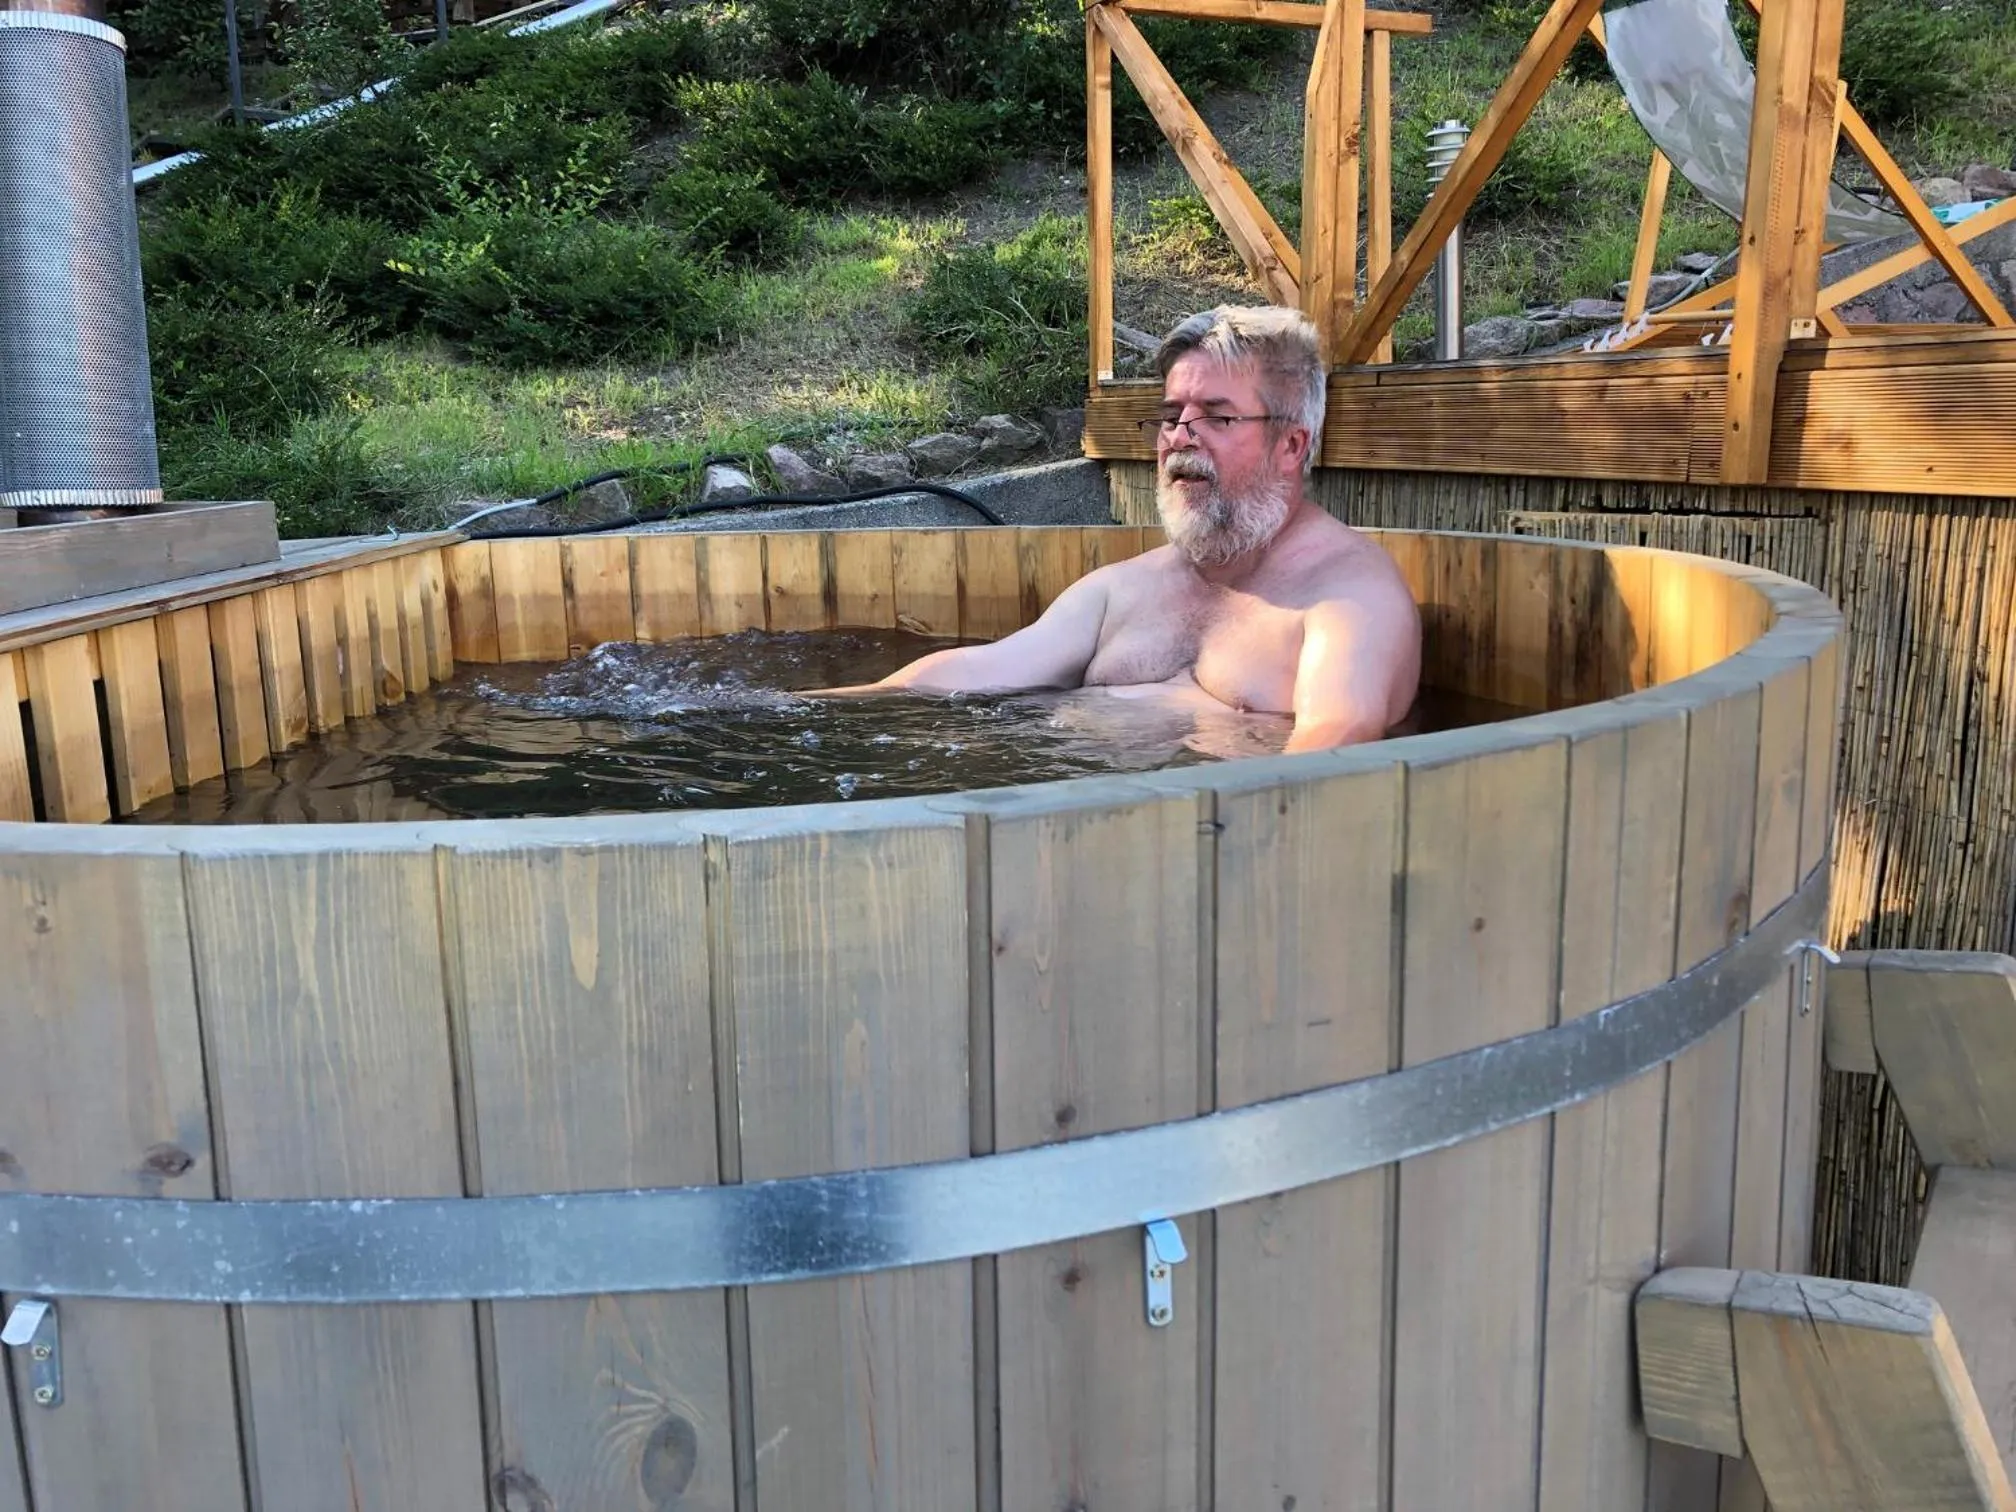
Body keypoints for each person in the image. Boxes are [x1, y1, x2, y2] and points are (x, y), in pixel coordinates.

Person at [819, 304, 1421, 752]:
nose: (1180, 436)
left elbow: (1336, 745)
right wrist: (809, 709)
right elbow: (978, 671)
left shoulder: (1349, 600)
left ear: (1291, 446)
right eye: (1170, 415)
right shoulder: (1122, 590)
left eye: (1216, 416)